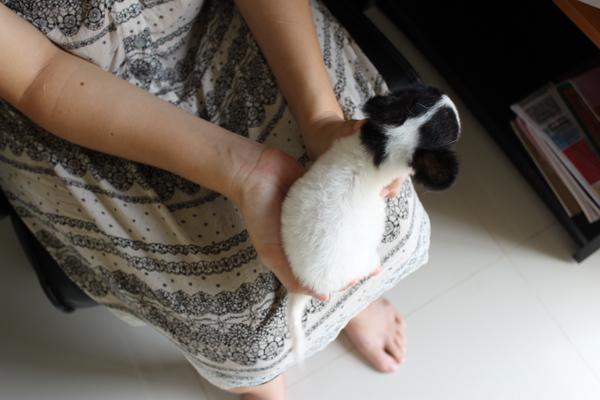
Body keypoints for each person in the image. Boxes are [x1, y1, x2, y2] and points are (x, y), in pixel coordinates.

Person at [0, 1, 431, 399]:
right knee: (233, 322)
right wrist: (241, 169)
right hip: (65, 89)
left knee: (381, 212)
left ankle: (348, 301)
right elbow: (40, 75)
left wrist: (319, 118)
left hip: (222, 21)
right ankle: (261, 380)